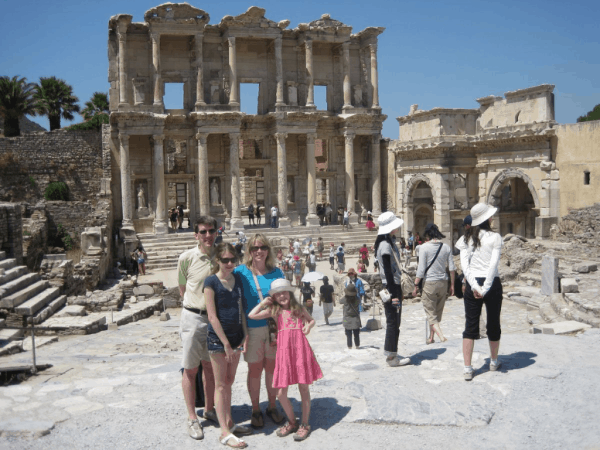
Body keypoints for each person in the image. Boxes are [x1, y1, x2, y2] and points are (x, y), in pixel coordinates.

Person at [248, 279, 322, 441]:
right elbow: (251, 315)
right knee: (281, 393)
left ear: (290, 292)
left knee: (304, 388)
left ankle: (305, 424)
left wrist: (308, 327)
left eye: (284, 292)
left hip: (301, 351)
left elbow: (311, 320)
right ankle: (291, 421)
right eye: (277, 294)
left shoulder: (299, 309)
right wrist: (263, 303)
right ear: (274, 297)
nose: (282, 295)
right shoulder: (274, 311)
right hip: (284, 354)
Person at [233, 234, 286, 427]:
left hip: (273, 329)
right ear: (249, 251)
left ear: (268, 250)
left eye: (262, 247)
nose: (259, 251)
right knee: (254, 370)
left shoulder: (277, 273)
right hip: (252, 330)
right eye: (254, 248)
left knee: (272, 369)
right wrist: (242, 334)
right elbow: (237, 303)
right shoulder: (240, 273)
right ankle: (256, 409)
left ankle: (272, 406)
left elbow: (284, 302)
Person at [204, 243, 252, 448]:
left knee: (230, 381)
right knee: (221, 384)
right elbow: (212, 316)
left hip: (236, 338)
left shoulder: (238, 278)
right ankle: (224, 431)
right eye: (225, 260)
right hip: (218, 340)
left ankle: (230, 422)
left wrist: (245, 335)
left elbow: (241, 308)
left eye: (233, 260)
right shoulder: (210, 282)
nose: (230, 263)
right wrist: (225, 343)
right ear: (217, 261)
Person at [177, 216, 219, 440]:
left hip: (214, 320)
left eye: (211, 231)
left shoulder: (221, 256)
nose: (208, 235)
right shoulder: (186, 258)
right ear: (196, 235)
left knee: (210, 368)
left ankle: (210, 409)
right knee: (190, 369)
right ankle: (192, 417)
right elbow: (182, 289)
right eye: (203, 232)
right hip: (193, 318)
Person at [459, 204, 503, 382]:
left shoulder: (465, 239)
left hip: (472, 284)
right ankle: (493, 361)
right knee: (493, 322)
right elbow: (493, 265)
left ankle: (468, 368)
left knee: (470, 325)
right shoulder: (495, 237)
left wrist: (475, 287)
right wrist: (484, 288)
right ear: (487, 219)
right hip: (491, 284)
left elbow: (465, 267)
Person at [375, 211, 411, 367]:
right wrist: (392, 295)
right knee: (392, 321)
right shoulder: (385, 245)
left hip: (393, 287)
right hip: (391, 287)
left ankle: (392, 353)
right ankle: (391, 357)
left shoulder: (387, 241)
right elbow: (388, 271)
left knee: (394, 321)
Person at [412, 223, 456, 344]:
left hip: (430, 283)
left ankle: (441, 335)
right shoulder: (446, 247)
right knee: (437, 312)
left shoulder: (423, 248)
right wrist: (452, 285)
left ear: (427, 235)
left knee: (430, 312)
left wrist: (415, 285)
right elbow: (452, 268)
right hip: (443, 283)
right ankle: (431, 338)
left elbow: (421, 269)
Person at [340, 283, 361, 349]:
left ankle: (349, 346)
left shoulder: (345, 299)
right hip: (356, 318)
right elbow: (359, 301)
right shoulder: (357, 299)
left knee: (348, 334)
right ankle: (357, 345)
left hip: (347, 318)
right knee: (356, 334)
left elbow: (340, 301)